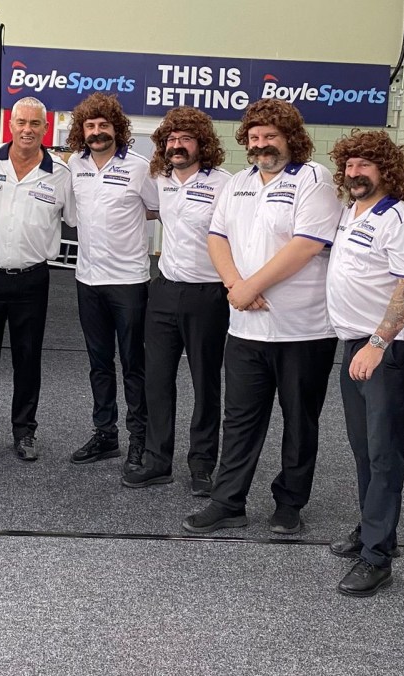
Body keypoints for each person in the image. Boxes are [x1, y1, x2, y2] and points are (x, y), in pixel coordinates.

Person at [183, 99, 341, 535]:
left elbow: (307, 244)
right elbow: (216, 237)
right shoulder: (238, 183)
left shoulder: (314, 179)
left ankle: (290, 502)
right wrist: (235, 284)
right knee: (240, 420)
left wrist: (252, 286)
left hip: (302, 329)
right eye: (253, 138)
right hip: (247, 328)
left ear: (290, 137)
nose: (261, 144)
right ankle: (228, 501)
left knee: (299, 420)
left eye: (270, 136)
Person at [324, 130, 404, 596]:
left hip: (388, 349)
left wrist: (379, 341)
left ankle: (378, 557)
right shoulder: (352, 211)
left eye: (365, 165)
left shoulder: (399, 219)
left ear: (387, 169)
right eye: (349, 166)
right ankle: (373, 527)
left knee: (384, 450)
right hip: (357, 345)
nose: (354, 174)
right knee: (364, 447)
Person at [0, 96, 73, 462]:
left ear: (45, 128)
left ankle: (25, 431)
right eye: (21, 122)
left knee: (28, 357)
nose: (27, 129)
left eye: (35, 124)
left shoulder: (61, 175)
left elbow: (80, 219)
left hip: (32, 280)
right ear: (11, 124)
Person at [120, 107, 231, 496]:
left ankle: (202, 465)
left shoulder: (224, 184)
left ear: (203, 144)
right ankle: (156, 460)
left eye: (185, 139)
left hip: (209, 293)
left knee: (205, 381)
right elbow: (146, 209)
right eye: (171, 140)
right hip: (165, 288)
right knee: (158, 379)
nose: (177, 146)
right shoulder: (160, 180)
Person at [64, 93, 158, 471]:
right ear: (82, 131)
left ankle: (140, 440)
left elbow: (157, 208)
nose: (97, 132)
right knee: (98, 363)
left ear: (117, 129)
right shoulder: (75, 164)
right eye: (90, 126)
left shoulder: (140, 167)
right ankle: (106, 434)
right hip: (87, 279)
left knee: (134, 364)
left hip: (129, 281)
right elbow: (72, 215)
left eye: (104, 126)